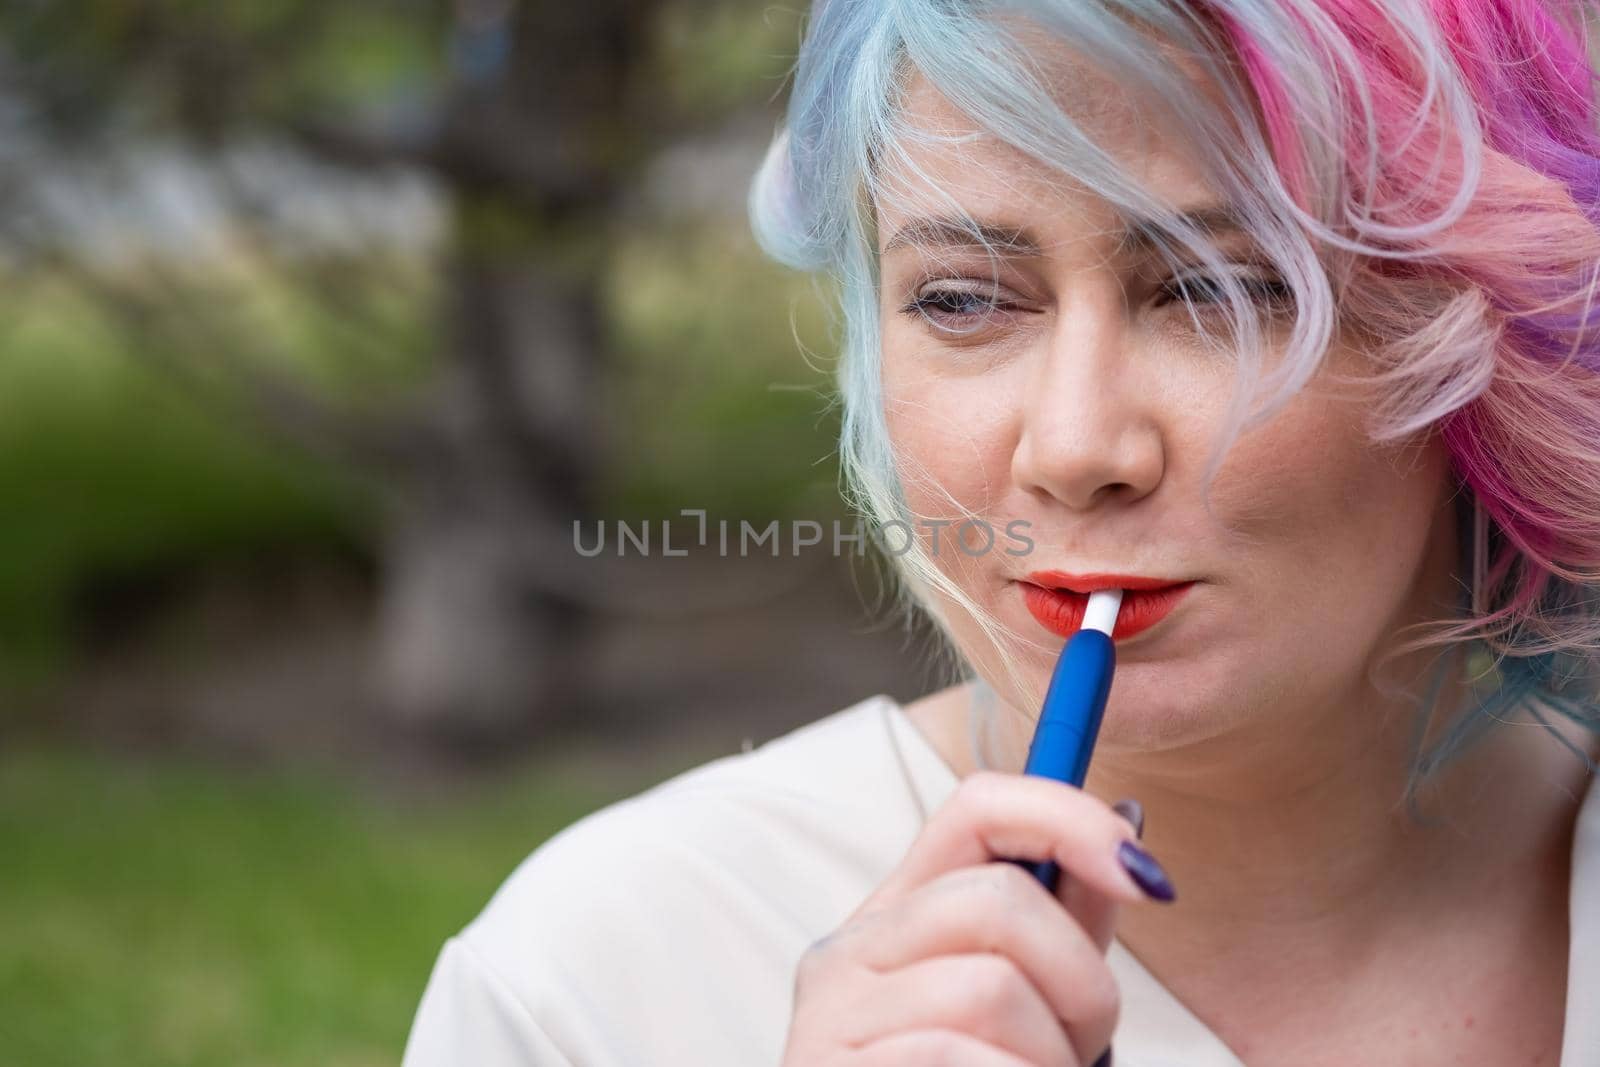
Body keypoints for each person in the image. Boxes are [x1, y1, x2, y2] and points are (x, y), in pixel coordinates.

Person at [401, 0, 1600, 1063]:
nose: (1076, 448)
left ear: (1496, 342)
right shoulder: (592, 987)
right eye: (963, 299)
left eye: (1224, 291)